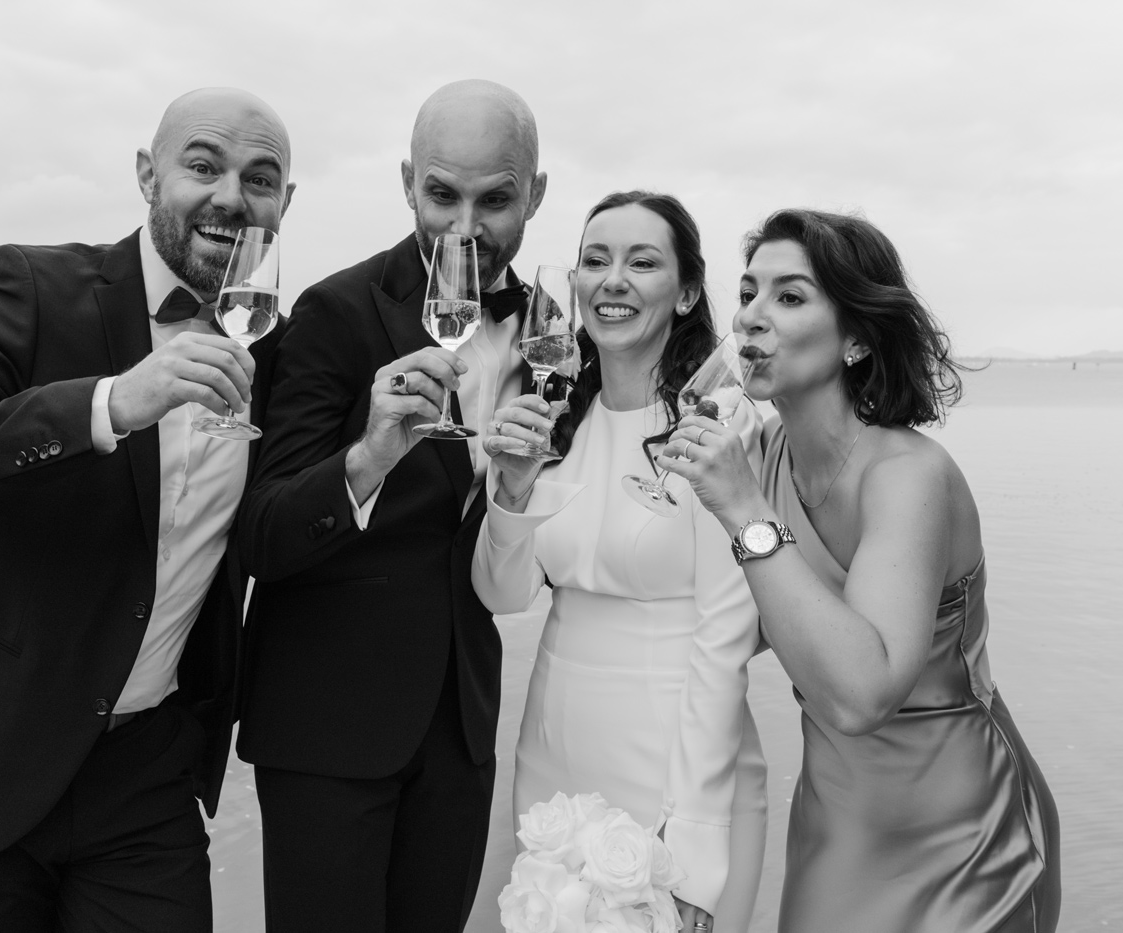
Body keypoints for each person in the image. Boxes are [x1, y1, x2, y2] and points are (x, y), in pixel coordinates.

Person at [0, 87, 296, 931]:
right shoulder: (33, 285)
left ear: (283, 203)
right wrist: (106, 404)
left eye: (259, 179)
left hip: (147, 774)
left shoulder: (276, 348)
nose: (231, 196)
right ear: (148, 175)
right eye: (203, 166)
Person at [662, 209, 1061, 932]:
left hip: (963, 836)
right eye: (748, 292)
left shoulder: (908, 476)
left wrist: (744, 510)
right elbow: (731, 627)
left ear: (855, 339)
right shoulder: (762, 455)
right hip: (836, 826)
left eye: (789, 296)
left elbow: (861, 696)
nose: (751, 315)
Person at [232, 79, 545, 932]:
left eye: (495, 199)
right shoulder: (335, 312)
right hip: (327, 730)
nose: (465, 228)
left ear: (535, 194)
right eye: (442, 195)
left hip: (461, 727)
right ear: (408, 183)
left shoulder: (552, 333)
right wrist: (368, 457)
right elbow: (262, 534)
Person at [472, 191, 768, 933]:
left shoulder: (721, 420)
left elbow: (726, 636)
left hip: (678, 755)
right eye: (596, 260)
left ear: (687, 292)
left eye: (642, 263)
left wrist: (692, 838)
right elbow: (502, 595)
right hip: (556, 751)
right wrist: (511, 489)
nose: (613, 280)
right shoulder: (553, 412)